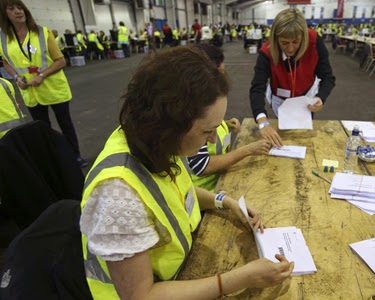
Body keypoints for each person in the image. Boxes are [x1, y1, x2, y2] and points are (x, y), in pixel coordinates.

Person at [79, 47, 294, 299]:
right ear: (171, 123)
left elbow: (175, 192)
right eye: (207, 131)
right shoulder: (116, 193)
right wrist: (239, 279)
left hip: (183, 270)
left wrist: (225, 202)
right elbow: (141, 296)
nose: (213, 138)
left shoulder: (156, 141)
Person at [0, 0, 87, 167]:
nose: (18, 11)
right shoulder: (3, 38)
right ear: (5, 14)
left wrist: (41, 75)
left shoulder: (42, 33)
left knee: (65, 124)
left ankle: (75, 156)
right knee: (42, 129)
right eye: (11, 8)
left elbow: (60, 61)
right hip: (30, 92)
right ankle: (54, 159)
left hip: (53, 88)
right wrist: (17, 77)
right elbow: (5, 62)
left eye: (20, 7)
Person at [188, 44, 271, 192]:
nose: (223, 81)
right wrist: (247, 150)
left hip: (220, 181)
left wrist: (223, 125)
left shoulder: (208, 100)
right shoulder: (195, 112)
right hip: (205, 194)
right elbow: (201, 165)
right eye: (219, 74)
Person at [249, 8, 336, 147]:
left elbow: (328, 77)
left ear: (303, 36)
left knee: (303, 140)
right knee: (283, 139)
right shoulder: (266, 52)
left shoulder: (314, 41)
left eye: (296, 42)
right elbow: (257, 88)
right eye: (284, 43)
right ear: (276, 38)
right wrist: (263, 122)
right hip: (280, 99)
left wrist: (321, 97)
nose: (290, 49)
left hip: (306, 99)